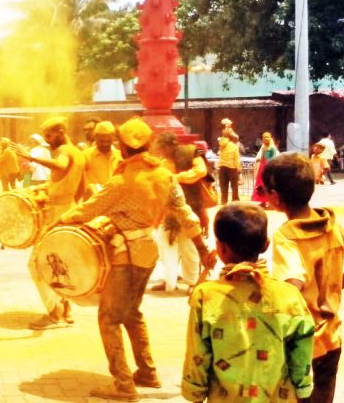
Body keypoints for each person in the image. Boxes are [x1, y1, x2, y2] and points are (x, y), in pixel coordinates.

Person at [58, 116, 202, 401]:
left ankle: (123, 385)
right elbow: (184, 213)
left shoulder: (121, 180)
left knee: (109, 317)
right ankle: (147, 372)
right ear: (148, 144)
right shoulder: (164, 175)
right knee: (132, 313)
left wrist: (58, 222)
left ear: (122, 147)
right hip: (148, 252)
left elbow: (87, 209)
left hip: (124, 256)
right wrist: (204, 248)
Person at [262, 153, 344, 403]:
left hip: (302, 341)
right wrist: (339, 283)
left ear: (274, 196)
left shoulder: (287, 236)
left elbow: (292, 283)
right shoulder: (328, 225)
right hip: (332, 335)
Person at [181, 202, 315, 402]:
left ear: (220, 248)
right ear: (266, 244)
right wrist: (303, 389)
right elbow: (301, 353)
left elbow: (197, 356)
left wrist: (195, 393)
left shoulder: (205, 295)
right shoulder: (289, 294)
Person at [14, 117, 86, 329]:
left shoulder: (64, 151)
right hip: (70, 211)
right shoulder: (80, 154)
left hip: (58, 215)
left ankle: (55, 314)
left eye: (50, 136)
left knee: (37, 265)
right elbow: (82, 187)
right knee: (63, 263)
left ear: (61, 132)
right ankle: (67, 310)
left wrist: (32, 158)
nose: (48, 141)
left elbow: (61, 166)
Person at [150, 133, 213, 293]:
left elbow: (201, 171)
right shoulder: (162, 164)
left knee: (189, 246)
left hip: (190, 207)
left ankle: (192, 282)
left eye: (163, 149)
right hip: (168, 211)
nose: (161, 152)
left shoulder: (190, 153)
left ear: (170, 146)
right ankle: (169, 282)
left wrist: (176, 178)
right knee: (165, 246)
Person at [82, 121, 122, 189]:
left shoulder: (120, 156)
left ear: (113, 138)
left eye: (108, 141)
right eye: (101, 141)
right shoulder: (85, 156)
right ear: (95, 137)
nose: (105, 144)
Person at [250, 132, 280, 205]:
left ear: (270, 138)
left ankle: (270, 202)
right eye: (265, 137)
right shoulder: (263, 147)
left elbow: (275, 158)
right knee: (261, 185)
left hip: (269, 168)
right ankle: (263, 201)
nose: (266, 138)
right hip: (262, 168)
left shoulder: (273, 148)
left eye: (268, 137)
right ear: (262, 139)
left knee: (269, 185)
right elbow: (259, 157)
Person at [216, 132, 241, 204]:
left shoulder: (221, 146)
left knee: (223, 185)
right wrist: (238, 168)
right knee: (234, 185)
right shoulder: (234, 146)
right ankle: (235, 200)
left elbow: (219, 154)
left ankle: (224, 201)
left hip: (222, 167)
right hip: (232, 167)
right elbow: (236, 158)